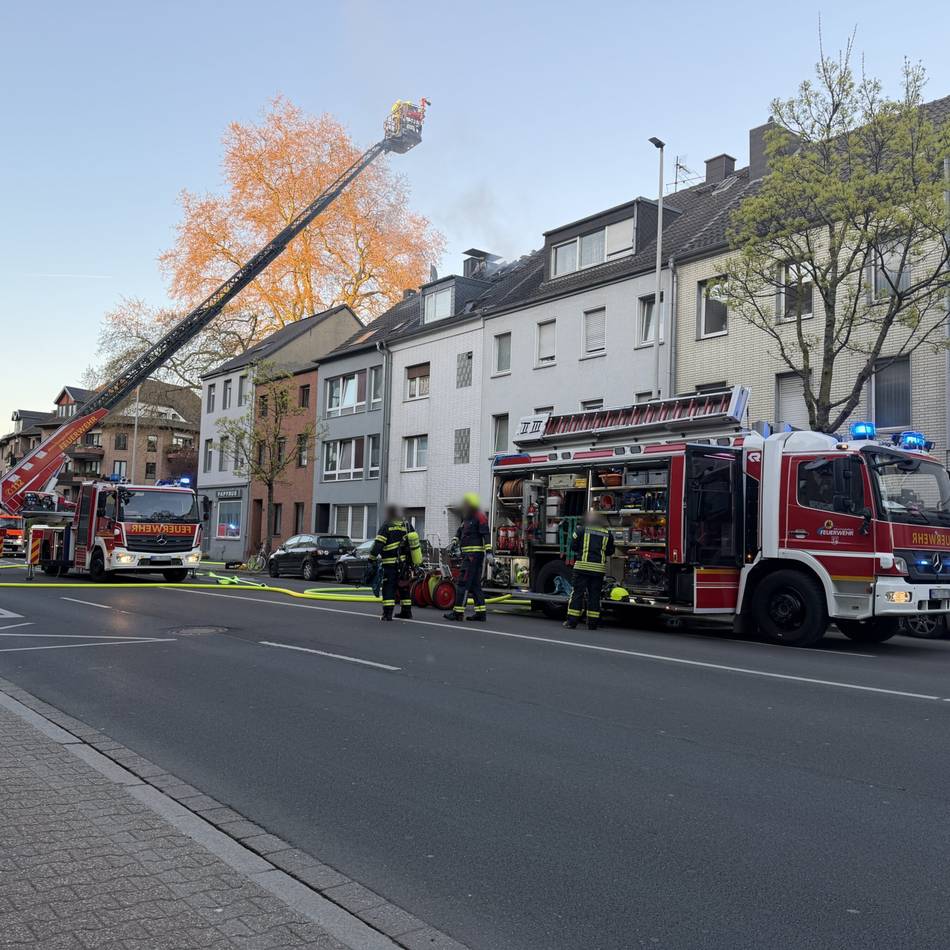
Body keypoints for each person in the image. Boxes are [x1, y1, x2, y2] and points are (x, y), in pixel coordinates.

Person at [444, 492, 492, 622]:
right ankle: (481, 614)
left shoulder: (479, 517)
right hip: (468, 556)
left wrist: (489, 552)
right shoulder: (466, 518)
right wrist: (454, 540)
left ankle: (458, 613)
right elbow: (460, 531)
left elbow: (486, 534)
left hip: (473, 557)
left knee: (463, 583)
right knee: (475, 585)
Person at [564, 509, 615, 631]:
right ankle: (592, 624)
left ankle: (572, 622)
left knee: (577, 594)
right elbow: (610, 551)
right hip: (598, 570)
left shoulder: (581, 530)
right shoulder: (608, 534)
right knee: (595, 596)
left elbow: (573, 546)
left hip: (582, 567)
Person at [371, 505, 422, 621]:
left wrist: (371, 557)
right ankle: (406, 612)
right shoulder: (407, 526)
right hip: (405, 564)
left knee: (389, 587)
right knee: (404, 587)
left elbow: (379, 544)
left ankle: (387, 614)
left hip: (391, 564)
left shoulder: (387, 526)